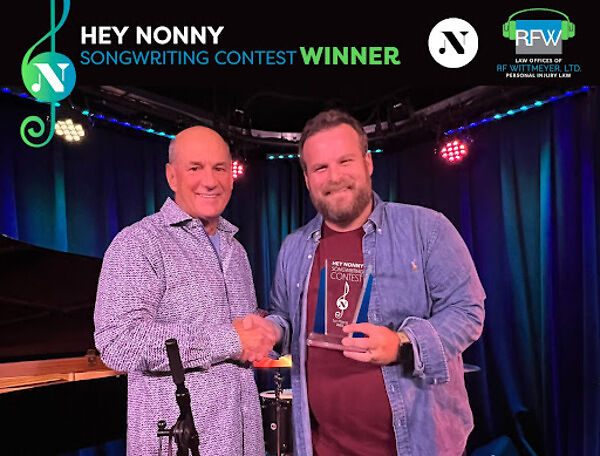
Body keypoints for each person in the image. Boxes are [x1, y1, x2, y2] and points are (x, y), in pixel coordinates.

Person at [258, 109, 486, 456]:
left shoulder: (427, 229)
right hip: (322, 447)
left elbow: (467, 311)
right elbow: (287, 320)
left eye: (345, 161)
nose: (335, 177)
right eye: (320, 168)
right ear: (306, 178)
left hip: (417, 447)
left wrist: (402, 344)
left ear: (368, 163)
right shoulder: (294, 247)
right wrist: (270, 330)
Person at [94, 126, 276, 455]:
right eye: (195, 168)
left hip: (245, 442)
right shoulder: (139, 243)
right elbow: (118, 342)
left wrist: (263, 336)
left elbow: (241, 337)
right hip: (179, 443)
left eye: (220, 168)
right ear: (172, 176)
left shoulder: (237, 250)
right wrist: (232, 340)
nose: (210, 181)